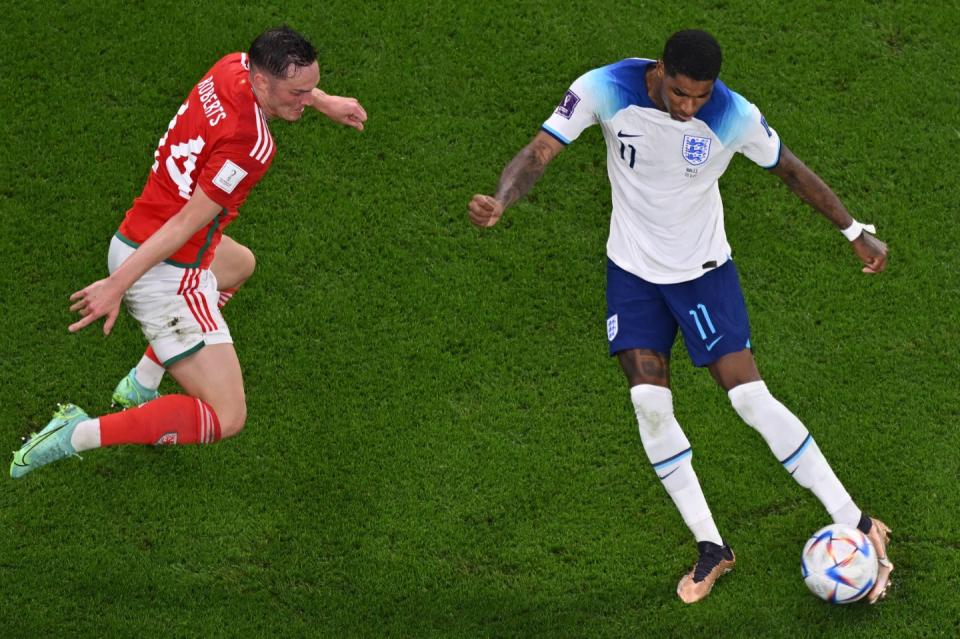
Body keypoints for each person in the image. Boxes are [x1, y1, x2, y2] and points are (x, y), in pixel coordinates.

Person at [468, 30, 892, 604]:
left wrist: (852, 231)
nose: (689, 106)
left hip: (702, 272)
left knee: (748, 398)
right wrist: (501, 201)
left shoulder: (732, 115)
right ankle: (712, 547)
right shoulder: (605, 87)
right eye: (679, 92)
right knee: (648, 404)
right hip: (633, 273)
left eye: (700, 96)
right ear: (659, 69)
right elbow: (541, 151)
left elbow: (791, 170)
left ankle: (854, 518)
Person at [11, 26, 367, 478]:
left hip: (135, 235)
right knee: (227, 415)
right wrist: (118, 286)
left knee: (240, 264)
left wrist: (322, 101)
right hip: (166, 270)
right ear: (261, 82)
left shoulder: (230, 66)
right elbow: (185, 224)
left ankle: (141, 382)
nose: (306, 98)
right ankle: (74, 432)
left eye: (311, 87)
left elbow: (182, 219)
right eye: (299, 92)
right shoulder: (251, 145)